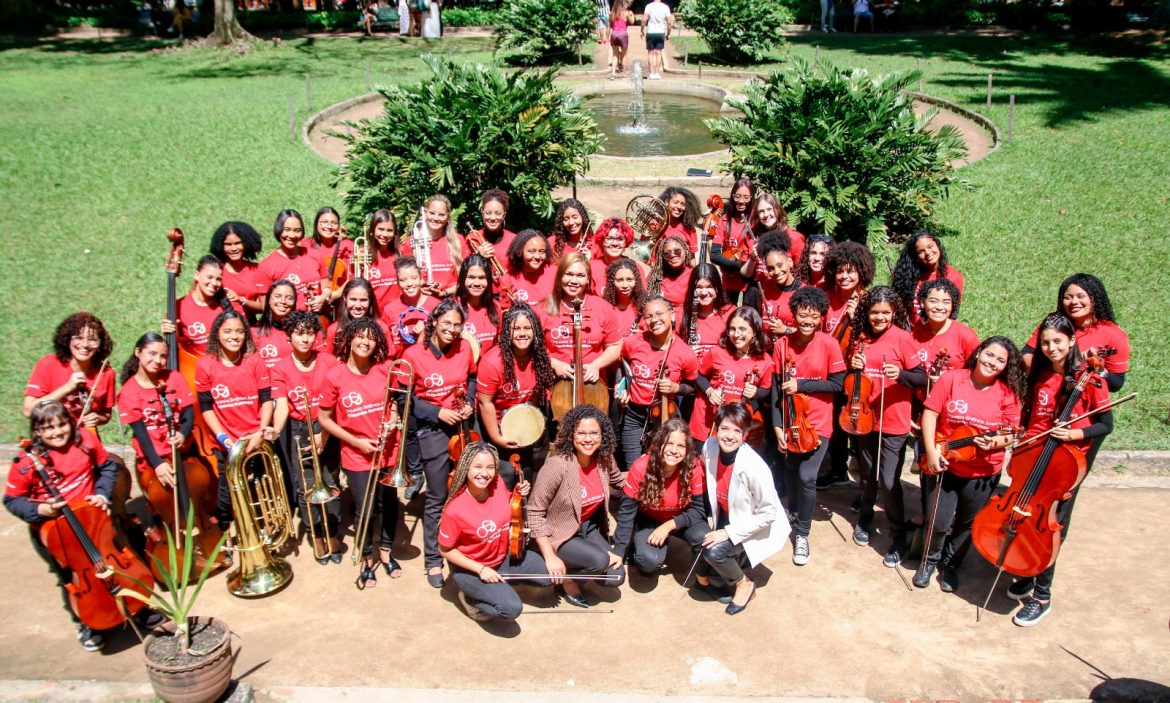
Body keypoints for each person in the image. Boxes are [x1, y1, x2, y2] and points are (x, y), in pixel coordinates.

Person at [5, 401, 160, 652]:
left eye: (62, 424)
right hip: (56, 533)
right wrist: (39, 510)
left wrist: (101, 494)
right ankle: (86, 621)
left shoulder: (85, 441)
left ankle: (137, 607)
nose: (57, 432)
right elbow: (12, 500)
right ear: (37, 432)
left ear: (70, 422)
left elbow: (107, 466)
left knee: (116, 564)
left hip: (93, 521)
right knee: (71, 578)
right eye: (48, 428)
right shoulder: (25, 463)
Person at [1005, 313, 1113, 626]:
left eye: (1058, 342)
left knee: (1050, 528)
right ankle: (1029, 572)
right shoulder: (1040, 374)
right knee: (1026, 520)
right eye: (1046, 342)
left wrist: (1074, 434)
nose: (1052, 348)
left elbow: (1106, 424)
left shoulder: (1091, 379)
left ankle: (1042, 595)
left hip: (1064, 463)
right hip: (1033, 454)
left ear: (1071, 341)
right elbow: (1033, 416)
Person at [917, 336, 1023, 591]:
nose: (992, 362)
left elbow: (1011, 432)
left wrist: (996, 443)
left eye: (1000, 360)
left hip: (983, 470)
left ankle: (951, 564)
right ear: (978, 353)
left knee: (967, 522)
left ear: (1007, 367)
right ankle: (929, 560)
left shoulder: (1009, 394)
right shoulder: (952, 379)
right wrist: (931, 450)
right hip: (946, 462)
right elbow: (930, 413)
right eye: (989, 355)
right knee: (939, 519)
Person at [116, 332, 221, 558]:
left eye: (163, 356)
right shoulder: (129, 392)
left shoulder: (173, 378)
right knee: (164, 505)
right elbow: (141, 434)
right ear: (138, 353)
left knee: (198, 492)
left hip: (182, 454)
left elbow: (187, 412)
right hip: (154, 459)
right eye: (152, 354)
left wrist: (183, 434)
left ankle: (207, 538)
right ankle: (176, 550)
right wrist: (157, 464)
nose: (158, 361)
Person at [845, 287, 926, 566]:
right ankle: (864, 520)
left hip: (894, 422)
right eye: (874, 312)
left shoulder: (903, 339)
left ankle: (898, 535)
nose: (879, 317)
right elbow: (853, 381)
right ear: (866, 313)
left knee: (890, 481)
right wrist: (853, 366)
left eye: (885, 313)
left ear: (894, 313)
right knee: (867, 475)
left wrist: (901, 374)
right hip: (864, 418)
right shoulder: (861, 339)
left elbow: (921, 377)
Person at [318, 318, 401, 588]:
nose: (365, 342)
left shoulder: (385, 369)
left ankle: (386, 550)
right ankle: (366, 557)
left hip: (387, 449)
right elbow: (325, 420)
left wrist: (393, 419)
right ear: (349, 339)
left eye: (371, 338)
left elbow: (394, 403)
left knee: (389, 503)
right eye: (359, 336)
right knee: (365, 509)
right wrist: (356, 442)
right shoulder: (334, 375)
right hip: (357, 453)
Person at [401, 300, 478, 588]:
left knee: (465, 490)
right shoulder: (412, 355)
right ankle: (433, 559)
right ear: (434, 322)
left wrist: (468, 402)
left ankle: (465, 548)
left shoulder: (465, 348)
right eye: (446, 323)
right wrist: (437, 412)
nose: (452, 329)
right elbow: (404, 399)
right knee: (436, 495)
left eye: (458, 325)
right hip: (432, 431)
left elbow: (471, 378)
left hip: (462, 428)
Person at [439, 442, 551, 622]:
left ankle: (497, 587)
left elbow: (507, 502)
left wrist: (517, 492)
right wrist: (481, 569)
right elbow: (444, 550)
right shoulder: (454, 509)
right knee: (511, 609)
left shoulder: (497, 483)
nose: (484, 473)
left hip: (500, 558)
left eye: (490, 467)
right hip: (472, 569)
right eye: (477, 467)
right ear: (465, 467)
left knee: (546, 576)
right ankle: (471, 599)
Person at [773, 287, 845, 565]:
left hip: (817, 423)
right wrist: (778, 426)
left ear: (820, 318)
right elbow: (775, 392)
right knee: (790, 470)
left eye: (813, 317)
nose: (807, 321)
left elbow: (837, 384)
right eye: (803, 315)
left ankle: (802, 533)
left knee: (806, 476)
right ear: (795, 315)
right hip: (790, 423)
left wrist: (802, 384)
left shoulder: (828, 344)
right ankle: (792, 513)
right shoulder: (782, 345)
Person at [528, 405, 626, 608]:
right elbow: (535, 512)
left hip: (586, 528)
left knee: (616, 575)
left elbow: (621, 481)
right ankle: (567, 580)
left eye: (594, 433)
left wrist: (652, 471)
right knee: (599, 561)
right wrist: (549, 556)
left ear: (603, 435)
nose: (588, 439)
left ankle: (572, 571)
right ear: (571, 435)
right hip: (559, 533)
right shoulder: (557, 465)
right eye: (581, 433)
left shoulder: (604, 459)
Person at [694, 403, 788, 614]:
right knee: (698, 542)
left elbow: (768, 514)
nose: (729, 436)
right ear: (716, 428)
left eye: (737, 431)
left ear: (745, 435)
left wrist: (727, 533)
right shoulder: (709, 447)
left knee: (714, 552)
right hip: (728, 516)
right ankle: (714, 573)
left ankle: (744, 584)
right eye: (725, 428)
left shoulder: (754, 466)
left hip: (754, 525)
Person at [270, 311, 342, 565]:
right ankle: (316, 534)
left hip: (326, 425)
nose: (305, 339)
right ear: (289, 336)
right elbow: (281, 405)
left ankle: (332, 531)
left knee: (331, 481)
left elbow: (335, 402)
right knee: (305, 486)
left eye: (310, 333)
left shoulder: (329, 361)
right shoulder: (280, 367)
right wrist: (277, 430)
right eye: (299, 333)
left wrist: (324, 434)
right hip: (298, 429)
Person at [194, 310, 276, 530]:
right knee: (227, 490)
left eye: (240, 331)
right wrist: (223, 438)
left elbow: (267, 399)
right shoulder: (205, 365)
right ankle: (225, 532)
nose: (234, 336)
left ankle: (262, 531)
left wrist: (260, 431)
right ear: (217, 334)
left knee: (260, 484)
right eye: (228, 331)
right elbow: (205, 407)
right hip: (226, 442)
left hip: (256, 438)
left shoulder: (255, 360)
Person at [612, 418, 707, 575]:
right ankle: (639, 543)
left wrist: (669, 526)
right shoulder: (641, 467)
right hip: (649, 519)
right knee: (648, 563)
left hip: (681, 518)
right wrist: (619, 550)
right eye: (669, 443)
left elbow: (699, 510)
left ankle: (703, 577)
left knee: (704, 538)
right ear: (659, 444)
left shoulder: (694, 467)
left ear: (688, 449)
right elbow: (626, 512)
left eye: (681, 446)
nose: (674, 450)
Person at [476, 303, 555, 487]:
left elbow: (536, 396)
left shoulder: (540, 356)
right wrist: (497, 438)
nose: (522, 333)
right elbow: (484, 403)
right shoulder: (493, 361)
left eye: (527, 328)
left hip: (522, 424)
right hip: (495, 424)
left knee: (526, 474)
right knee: (505, 475)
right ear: (506, 333)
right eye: (516, 329)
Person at [615, 295, 699, 469]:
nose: (654, 320)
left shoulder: (685, 353)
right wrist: (621, 385)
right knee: (633, 466)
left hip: (664, 416)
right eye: (649, 316)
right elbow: (622, 364)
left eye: (659, 314)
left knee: (661, 467)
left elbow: (692, 387)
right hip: (634, 414)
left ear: (672, 315)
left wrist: (676, 387)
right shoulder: (633, 343)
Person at [818, 240, 876, 489]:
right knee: (835, 424)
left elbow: (875, 336)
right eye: (840, 271)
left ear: (861, 272)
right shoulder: (827, 296)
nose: (844, 276)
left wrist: (857, 319)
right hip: (828, 369)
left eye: (850, 271)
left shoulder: (867, 300)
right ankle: (837, 470)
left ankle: (864, 484)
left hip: (853, 372)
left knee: (855, 426)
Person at [1022, 273, 1130, 393]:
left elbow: (1116, 384)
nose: (1074, 302)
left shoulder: (1113, 334)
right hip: (1047, 395)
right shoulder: (1054, 322)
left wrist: (1095, 365)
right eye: (1068, 297)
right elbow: (1026, 355)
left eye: (1081, 296)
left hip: (1085, 401)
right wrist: (1054, 370)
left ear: (1094, 298)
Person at [691, 307, 773, 450]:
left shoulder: (764, 360)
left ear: (754, 331)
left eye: (742, 329)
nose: (736, 334)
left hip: (736, 426)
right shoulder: (717, 352)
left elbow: (765, 389)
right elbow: (698, 374)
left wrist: (755, 392)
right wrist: (709, 391)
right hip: (707, 420)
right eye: (732, 329)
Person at [539, 253, 621, 391]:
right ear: (560, 276)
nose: (574, 280)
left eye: (580, 276)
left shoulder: (603, 308)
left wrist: (596, 365)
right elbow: (534, 348)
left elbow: (615, 345)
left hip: (593, 387)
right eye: (569, 274)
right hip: (554, 386)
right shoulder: (543, 309)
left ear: (588, 279)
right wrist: (554, 364)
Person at [24, 312, 117, 430]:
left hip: (86, 439)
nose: (85, 344)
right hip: (53, 438)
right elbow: (28, 411)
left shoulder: (106, 373)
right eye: (78, 338)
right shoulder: (48, 364)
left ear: (100, 344)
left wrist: (98, 418)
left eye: (92, 339)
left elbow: (106, 414)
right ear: (67, 339)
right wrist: (67, 388)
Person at [161, 256, 238, 360]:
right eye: (209, 277)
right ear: (197, 275)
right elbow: (174, 348)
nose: (214, 283)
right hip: (191, 369)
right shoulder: (178, 307)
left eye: (218, 279)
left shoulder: (226, 306)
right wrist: (168, 333)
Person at [257, 210, 330, 314]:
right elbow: (265, 306)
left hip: (317, 318)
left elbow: (326, 288)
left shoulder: (315, 255)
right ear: (278, 230)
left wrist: (322, 298)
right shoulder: (266, 265)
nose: (292, 235)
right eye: (286, 230)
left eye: (297, 230)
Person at [891, 230, 965, 322]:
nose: (927, 252)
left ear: (937, 245)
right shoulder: (905, 276)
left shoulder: (954, 276)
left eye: (930, 246)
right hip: (909, 332)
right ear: (915, 256)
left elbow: (953, 313)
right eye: (920, 251)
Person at [400, 194, 464, 297]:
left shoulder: (458, 240)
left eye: (441, 214)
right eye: (432, 213)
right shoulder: (411, 242)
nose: (436, 218)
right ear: (425, 213)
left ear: (448, 217)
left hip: (451, 300)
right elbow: (406, 277)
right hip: (422, 300)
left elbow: (466, 277)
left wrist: (443, 293)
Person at [709, 177, 757, 304]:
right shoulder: (724, 220)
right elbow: (714, 255)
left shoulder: (756, 221)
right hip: (730, 277)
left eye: (746, 197)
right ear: (732, 197)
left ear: (752, 198)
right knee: (726, 314)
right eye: (737, 196)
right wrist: (739, 267)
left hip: (752, 278)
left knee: (750, 315)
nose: (741, 201)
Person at [676, 264, 734, 363]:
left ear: (718, 287)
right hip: (691, 371)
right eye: (698, 287)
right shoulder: (680, 314)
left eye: (709, 287)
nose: (703, 292)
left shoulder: (731, 313)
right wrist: (686, 354)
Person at [749, 236, 803, 340]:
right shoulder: (764, 288)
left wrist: (785, 329)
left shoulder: (804, 292)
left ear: (790, 262)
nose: (777, 272)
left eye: (780, 265)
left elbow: (813, 331)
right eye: (771, 269)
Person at [324, 278, 392, 357]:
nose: (358, 306)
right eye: (353, 299)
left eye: (363, 300)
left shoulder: (382, 329)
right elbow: (328, 360)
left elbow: (388, 360)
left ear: (370, 301)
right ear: (345, 298)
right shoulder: (334, 330)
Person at [210, 221, 266, 317]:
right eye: (228, 244)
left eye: (238, 243)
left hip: (249, 327)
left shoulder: (257, 270)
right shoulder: (214, 271)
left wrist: (241, 300)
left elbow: (263, 307)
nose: (233, 248)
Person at [381, 257, 436, 353]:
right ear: (398, 283)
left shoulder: (435, 306)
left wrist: (426, 332)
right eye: (403, 280)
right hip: (400, 364)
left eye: (414, 278)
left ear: (421, 279)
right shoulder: (389, 309)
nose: (409, 284)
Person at [302, 207, 352, 310]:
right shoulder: (306, 244)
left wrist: (336, 294)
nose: (329, 226)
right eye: (324, 222)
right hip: (311, 300)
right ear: (316, 224)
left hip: (339, 300)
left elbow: (353, 276)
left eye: (334, 223)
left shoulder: (347, 245)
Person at [455, 254, 501, 358]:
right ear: (463, 279)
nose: (477, 283)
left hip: (488, 371)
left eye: (482, 278)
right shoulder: (452, 307)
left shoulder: (495, 307)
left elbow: (499, 343)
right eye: (471, 277)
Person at [464, 190, 516, 276]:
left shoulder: (514, 240)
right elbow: (463, 271)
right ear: (482, 214)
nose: (492, 218)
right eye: (488, 213)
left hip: (507, 288)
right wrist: (478, 256)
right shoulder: (472, 238)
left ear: (504, 215)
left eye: (498, 213)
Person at [589, 218, 647, 293]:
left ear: (626, 242)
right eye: (609, 238)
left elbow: (643, 299)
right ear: (601, 241)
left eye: (620, 239)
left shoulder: (636, 268)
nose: (615, 244)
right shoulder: (591, 268)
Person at [252, 280, 298, 370]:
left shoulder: (300, 332)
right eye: (277, 296)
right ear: (268, 299)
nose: (283, 301)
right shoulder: (254, 333)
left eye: (289, 298)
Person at [503, 229, 557, 307]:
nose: (537, 256)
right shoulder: (508, 279)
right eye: (532, 251)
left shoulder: (555, 273)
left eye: (542, 251)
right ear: (520, 252)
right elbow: (505, 311)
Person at [645, 234, 693, 317]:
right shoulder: (655, 275)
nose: (672, 255)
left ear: (685, 251)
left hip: (683, 324)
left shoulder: (693, 275)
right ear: (662, 257)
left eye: (677, 251)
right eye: (667, 254)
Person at [602, 256, 648, 340]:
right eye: (620, 280)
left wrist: (645, 335)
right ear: (612, 282)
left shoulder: (645, 306)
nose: (625, 285)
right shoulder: (604, 308)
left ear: (636, 281)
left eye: (629, 280)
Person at [362, 209, 400, 310]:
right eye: (381, 229)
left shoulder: (401, 253)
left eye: (389, 230)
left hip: (395, 312)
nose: (385, 234)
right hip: (372, 312)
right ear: (373, 230)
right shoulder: (362, 254)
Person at [752, 192, 805, 264]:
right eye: (761, 211)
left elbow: (801, 270)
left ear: (778, 209)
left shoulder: (795, 238)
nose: (766, 215)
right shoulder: (756, 237)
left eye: (769, 209)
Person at [658, 186, 701, 254]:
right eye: (676, 202)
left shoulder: (689, 228)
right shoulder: (655, 223)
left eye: (683, 204)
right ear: (666, 202)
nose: (679, 207)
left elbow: (692, 258)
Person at [641, 0, 671, 79]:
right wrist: (668, 33)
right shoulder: (665, 7)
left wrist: (641, 30)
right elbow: (669, 22)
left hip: (651, 32)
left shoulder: (649, 6)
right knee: (658, 53)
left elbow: (644, 20)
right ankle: (657, 73)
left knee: (650, 53)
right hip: (661, 32)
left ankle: (651, 73)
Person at [609, 0, 634, 79]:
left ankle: (613, 74)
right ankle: (624, 74)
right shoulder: (626, 13)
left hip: (614, 33)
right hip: (623, 34)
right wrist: (631, 15)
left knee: (615, 55)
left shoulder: (612, 13)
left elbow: (610, 25)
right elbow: (632, 22)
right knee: (624, 55)